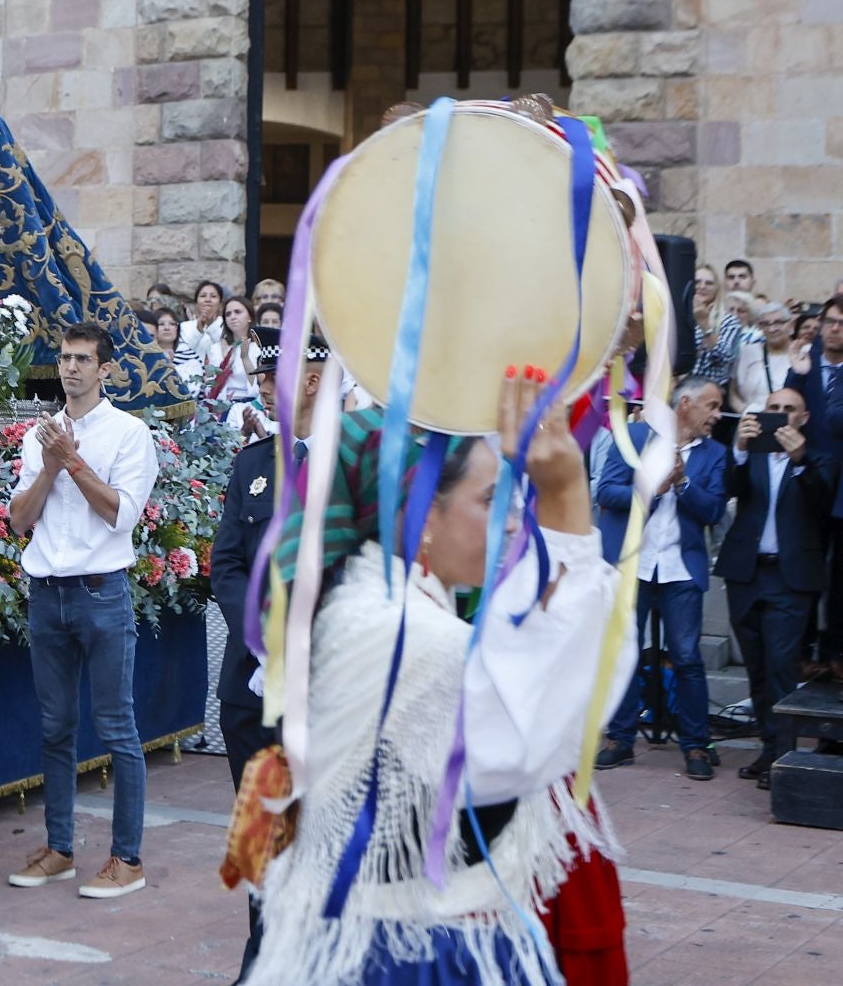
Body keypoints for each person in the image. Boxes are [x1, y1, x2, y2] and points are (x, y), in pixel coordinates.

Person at [243, 372, 635, 986]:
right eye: (488, 500)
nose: (510, 523)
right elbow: (534, 732)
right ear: (423, 513)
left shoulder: (381, 603)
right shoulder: (401, 635)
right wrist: (565, 500)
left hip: (389, 936)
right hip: (404, 953)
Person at [6, 324, 159, 900]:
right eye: (65, 358)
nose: (70, 368)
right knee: (55, 728)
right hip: (48, 592)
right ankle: (60, 849)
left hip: (101, 591)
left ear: (105, 368)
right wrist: (49, 463)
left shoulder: (128, 433)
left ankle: (128, 858)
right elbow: (20, 521)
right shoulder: (37, 436)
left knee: (118, 727)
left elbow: (121, 515)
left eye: (82, 359)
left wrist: (70, 462)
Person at [211, 329, 326, 979]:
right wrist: (259, 637)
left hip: (322, 683)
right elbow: (225, 564)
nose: (260, 387)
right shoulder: (251, 464)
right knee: (260, 827)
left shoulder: (348, 461)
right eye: (257, 377)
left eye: (271, 376)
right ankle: (264, 957)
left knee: (316, 827)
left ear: (311, 380)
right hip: (251, 683)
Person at [595, 375, 729, 779]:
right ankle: (620, 739)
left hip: (680, 568)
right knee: (624, 653)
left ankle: (696, 745)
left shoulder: (716, 454)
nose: (718, 415)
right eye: (712, 405)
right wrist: (652, 488)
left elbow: (714, 511)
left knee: (687, 657)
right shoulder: (635, 436)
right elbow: (606, 492)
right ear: (685, 403)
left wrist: (683, 482)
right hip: (633, 563)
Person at [721, 390, 836, 789]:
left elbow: (822, 504)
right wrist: (737, 448)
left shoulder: (819, 458)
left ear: (803, 418)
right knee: (755, 667)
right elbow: (728, 489)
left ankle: (784, 758)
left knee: (781, 666)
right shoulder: (747, 453)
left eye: (789, 410)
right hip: (746, 573)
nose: (780, 415)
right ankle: (769, 750)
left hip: (790, 579)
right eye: (773, 408)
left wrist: (800, 459)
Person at [787, 295, 843, 678]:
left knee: (840, 574)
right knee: (806, 565)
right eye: (831, 321)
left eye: (842, 323)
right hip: (808, 478)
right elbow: (787, 412)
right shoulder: (805, 368)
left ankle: (835, 650)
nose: (836, 329)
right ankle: (803, 649)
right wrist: (797, 373)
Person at [731, 302, 800, 413]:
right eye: (765, 324)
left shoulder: (803, 354)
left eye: (778, 323)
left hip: (786, 424)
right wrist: (746, 413)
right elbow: (733, 392)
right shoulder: (747, 352)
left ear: (791, 325)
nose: (772, 329)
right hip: (749, 422)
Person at [207, 296, 260, 404]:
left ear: (249, 316)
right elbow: (210, 389)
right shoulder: (215, 349)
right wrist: (225, 361)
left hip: (251, 404)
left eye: (238, 312)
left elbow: (257, 388)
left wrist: (245, 358)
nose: (232, 317)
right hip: (222, 406)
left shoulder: (260, 347)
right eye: (228, 314)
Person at [148, 306, 204, 388]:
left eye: (172, 324)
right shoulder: (147, 354)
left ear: (177, 328)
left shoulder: (188, 355)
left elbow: (193, 388)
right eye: (161, 324)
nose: (167, 328)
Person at [182, 281, 227, 360]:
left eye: (213, 296)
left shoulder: (228, 325)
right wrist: (198, 330)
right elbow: (183, 353)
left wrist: (211, 325)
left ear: (220, 304)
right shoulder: (184, 327)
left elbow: (227, 350)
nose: (208, 300)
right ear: (196, 303)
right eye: (203, 296)